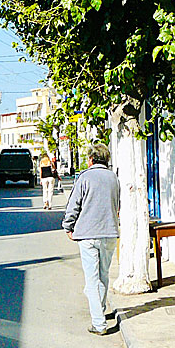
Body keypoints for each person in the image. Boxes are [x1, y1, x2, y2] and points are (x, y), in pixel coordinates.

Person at [62, 142, 120, 336]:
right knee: (103, 274)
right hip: (110, 232)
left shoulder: (85, 178)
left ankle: (99, 322)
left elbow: (74, 205)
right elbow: (117, 204)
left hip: (88, 234)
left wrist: (68, 226)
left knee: (92, 279)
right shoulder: (113, 178)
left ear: (91, 159)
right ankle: (100, 310)